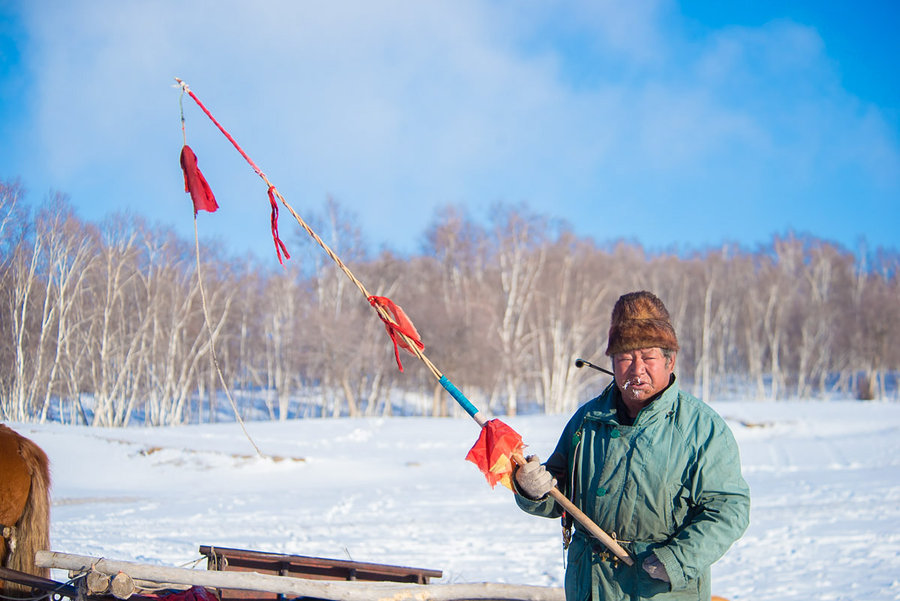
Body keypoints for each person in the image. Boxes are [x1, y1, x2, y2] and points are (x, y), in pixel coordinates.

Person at [514, 290, 750, 601]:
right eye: (625, 357)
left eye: (649, 357)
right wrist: (532, 490)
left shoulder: (700, 429)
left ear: (670, 360)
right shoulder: (587, 421)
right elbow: (558, 495)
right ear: (612, 362)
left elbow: (728, 509)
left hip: (660, 590)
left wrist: (677, 561)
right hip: (591, 588)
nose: (637, 370)